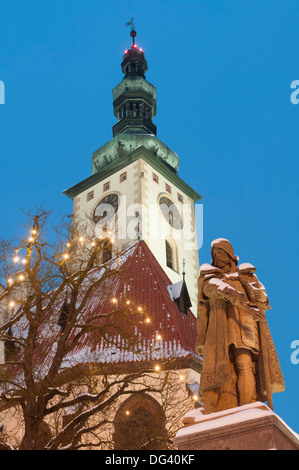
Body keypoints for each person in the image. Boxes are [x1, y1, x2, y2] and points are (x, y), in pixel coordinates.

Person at [196, 238, 285, 414]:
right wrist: (233, 294)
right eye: (214, 254)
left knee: (244, 363)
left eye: (221, 252)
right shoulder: (210, 277)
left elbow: (264, 298)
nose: (217, 257)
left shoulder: (247, 276)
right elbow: (212, 289)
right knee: (218, 367)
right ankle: (215, 406)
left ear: (230, 255)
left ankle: (247, 407)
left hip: (246, 324)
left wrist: (260, 296)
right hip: (220, 327)